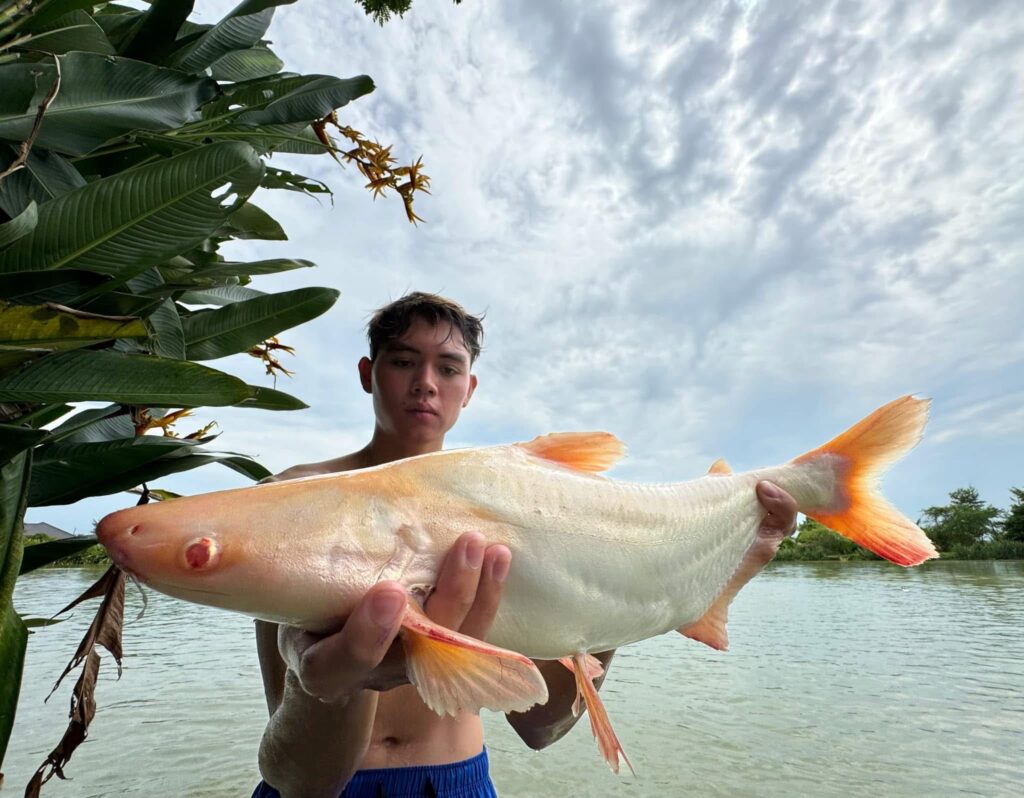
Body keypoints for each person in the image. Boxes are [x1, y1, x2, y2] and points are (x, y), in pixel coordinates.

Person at [252, 292, 797, 798]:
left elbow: (542, 726)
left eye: (448, 368)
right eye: (402, 361)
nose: (425, 382)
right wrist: (341, 683)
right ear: (368, 375)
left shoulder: (520, 509)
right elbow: (297, 768)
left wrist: (622, 581)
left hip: (456, 780)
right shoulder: (293, 504)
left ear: (470, 388)